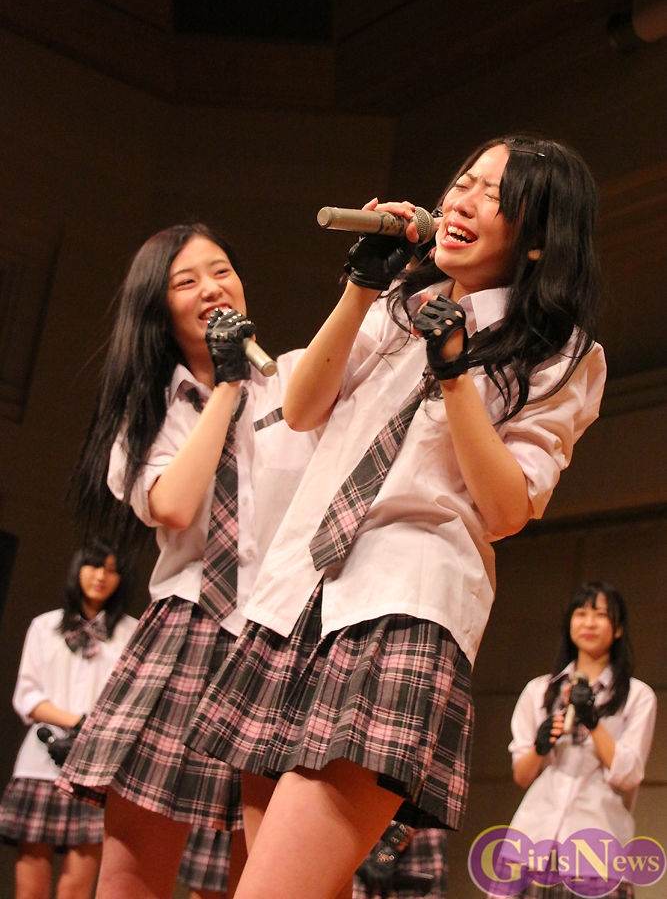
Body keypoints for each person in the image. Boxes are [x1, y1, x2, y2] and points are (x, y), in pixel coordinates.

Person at [185, 135, 608, 899]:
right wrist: (360, 286)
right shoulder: (398, 305)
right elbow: (302, 409)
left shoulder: (561, 350)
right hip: (295, 599)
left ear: (539, 238)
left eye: (493, 195)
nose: (462, 201)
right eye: (462, 183)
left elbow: (506, 507)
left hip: (401, 607)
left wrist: (454, 372)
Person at [56, 224, 320, 899]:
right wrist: (225, 388)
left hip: (281, 639)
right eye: (187, 281)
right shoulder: (148, 412)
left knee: (263, 875)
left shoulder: (295, 381)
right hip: (190, 629)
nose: (211, 288)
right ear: (159, 308)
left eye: (222, 271)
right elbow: (173, 505)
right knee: (131, 875)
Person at [0, 540, 137, 899]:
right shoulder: (44, 626)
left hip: (96, 768)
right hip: (40, 763)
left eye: (112, 570)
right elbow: (27, 697)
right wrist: (77, 722)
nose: (101, 576)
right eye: (94, 565)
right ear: (78, 569)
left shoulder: (132, 633)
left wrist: (91, 731)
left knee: (76, 887)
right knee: (30, 887)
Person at [503, 580, 657, 899]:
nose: (589, 623)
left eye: (600, 615)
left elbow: (629, 775)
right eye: (581, 613)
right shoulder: (539, 690)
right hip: (532, 842)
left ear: (618, 629)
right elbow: (521, 776)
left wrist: (593, 722)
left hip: (596, 850)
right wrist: (540, 746)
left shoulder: (637, 696)